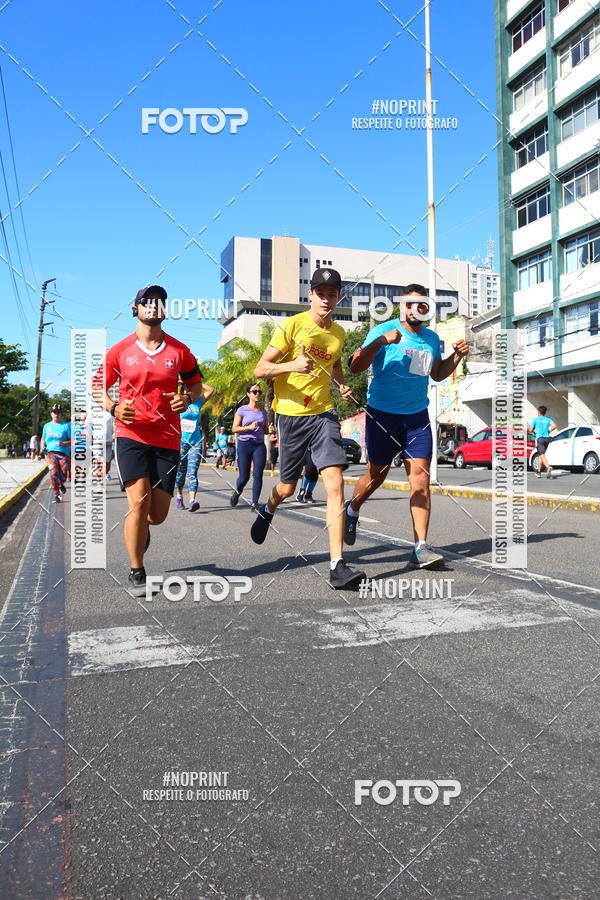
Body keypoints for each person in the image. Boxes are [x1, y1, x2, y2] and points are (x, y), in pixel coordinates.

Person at [251, 267, 365, 590]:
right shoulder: (292, 326)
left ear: (338, 296)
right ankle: (267, 509)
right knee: (287, 487)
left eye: (332, 294)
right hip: (290, 416)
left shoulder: (339, 334)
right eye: (321, 294)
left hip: (323, 413)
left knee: (335, 481)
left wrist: (341, 385)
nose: (326, 300)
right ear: (310, 295)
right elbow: (261, 369)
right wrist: (292, 365)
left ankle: (336, 565)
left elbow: (336, 363)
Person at [344, 284, 469, 570]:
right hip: (382, 416)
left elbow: (436, 373)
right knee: (377, 476)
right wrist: (380, 343)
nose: (417, 308)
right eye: (411, 304)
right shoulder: (382, 330)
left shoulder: (431, 338)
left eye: (422, 304)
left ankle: (419, 548)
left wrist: (456, 357)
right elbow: (354, 367)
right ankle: (352, 509)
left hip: (416, 418)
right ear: (403, 306)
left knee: (420, 481)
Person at [92, 284, 203, 594]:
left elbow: (195, 387)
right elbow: (97, 387)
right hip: (131, 434)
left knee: (157, 515)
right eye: (147, 302)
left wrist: (186, 398)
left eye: (159, 302)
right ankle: (136, 568)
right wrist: (113, 406)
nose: (154, 306)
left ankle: (142, 529)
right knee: (138, 502)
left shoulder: (179, 351)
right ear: (135, 309)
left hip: (168, 438)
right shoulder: (119, 350)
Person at [175, 382, 214, 511]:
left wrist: (196, 382)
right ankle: (179, 496)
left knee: (193, 472)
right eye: (187, 387)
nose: (189, 389)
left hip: (195, 442)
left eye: (190, 388)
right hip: (181, 442)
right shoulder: (178, 401)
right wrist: (180, 381)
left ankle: (192, 500)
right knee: (181, 472)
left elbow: (211, 389)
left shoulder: (198, 401)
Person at [230, 383, 268, 512]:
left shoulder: (263, 412)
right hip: (245, 444)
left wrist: (270, 429)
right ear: (248, 394)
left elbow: (266, 430)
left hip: (259, 445)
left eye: (259, 392)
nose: (258, 394)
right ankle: (237, 491)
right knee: (244, 477)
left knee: (258, 474)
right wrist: (249, 427)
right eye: (254, 391)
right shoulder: (242, 410)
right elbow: (234, 428)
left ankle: (254, 502)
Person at [40, 404, 71, 502]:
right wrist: (42, 446)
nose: (56, 414)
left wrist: (63, 443)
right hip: (50, 453)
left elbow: (71, 440)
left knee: (63, 474)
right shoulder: (47, 426)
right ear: (51, 414)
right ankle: (56, 494)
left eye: (58, 412)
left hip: (63, 453)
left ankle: (61, 484)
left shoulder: (65, 426)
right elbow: (43, 438)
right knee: (53, 472)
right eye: (54, 412)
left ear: (61, 414)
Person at [530, 405, 557, 478]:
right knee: (541, 455)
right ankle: (538, 472)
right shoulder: (548, 419)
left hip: (540, 439)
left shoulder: (535, 419)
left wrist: (534, 431)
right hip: (547, 439)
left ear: (538, 412)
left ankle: (548, 467)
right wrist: (549, 431)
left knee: (542, 455)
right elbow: (554, 426)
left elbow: (530, 429)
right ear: (545, 412)